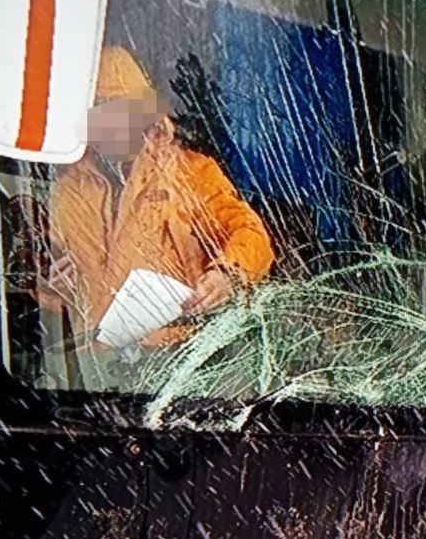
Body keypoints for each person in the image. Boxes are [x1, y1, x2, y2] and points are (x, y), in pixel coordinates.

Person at [51, 46, 274, 347]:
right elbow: (52, 288)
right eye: (99, 113)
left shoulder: (189, 173)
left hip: (171, 363)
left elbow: (251, 234)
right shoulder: (69, 189)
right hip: (92, 371)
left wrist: (227, 276)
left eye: (119, 112)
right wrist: (52, 287)